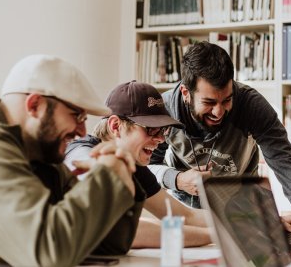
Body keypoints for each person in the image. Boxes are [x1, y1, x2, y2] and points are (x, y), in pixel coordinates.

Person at [0, 55, 144, 266]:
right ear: (35, 105)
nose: (82, 131)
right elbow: (49, 253)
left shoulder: (38, 154)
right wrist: (109, 176)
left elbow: (108, 244)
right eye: (76, 115)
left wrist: (120, 172)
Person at [149, 41, 291, 228]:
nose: (218, 112)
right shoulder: (163, 110)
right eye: (209, 102)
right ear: (186, 93)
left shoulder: (251, 105)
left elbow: (285, 162)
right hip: (186, 215)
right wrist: (177, 179)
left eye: (227, 100)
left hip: (242, 213)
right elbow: (147, 168)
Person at [65, 81, 212, 248]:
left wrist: (235, 223)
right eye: (151, 129)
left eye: (163, 130)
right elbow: (122, 229)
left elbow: (183, 216)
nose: (161, 139)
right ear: (116, 126)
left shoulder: (132, 164)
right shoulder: (82, 154)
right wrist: (215, 236)